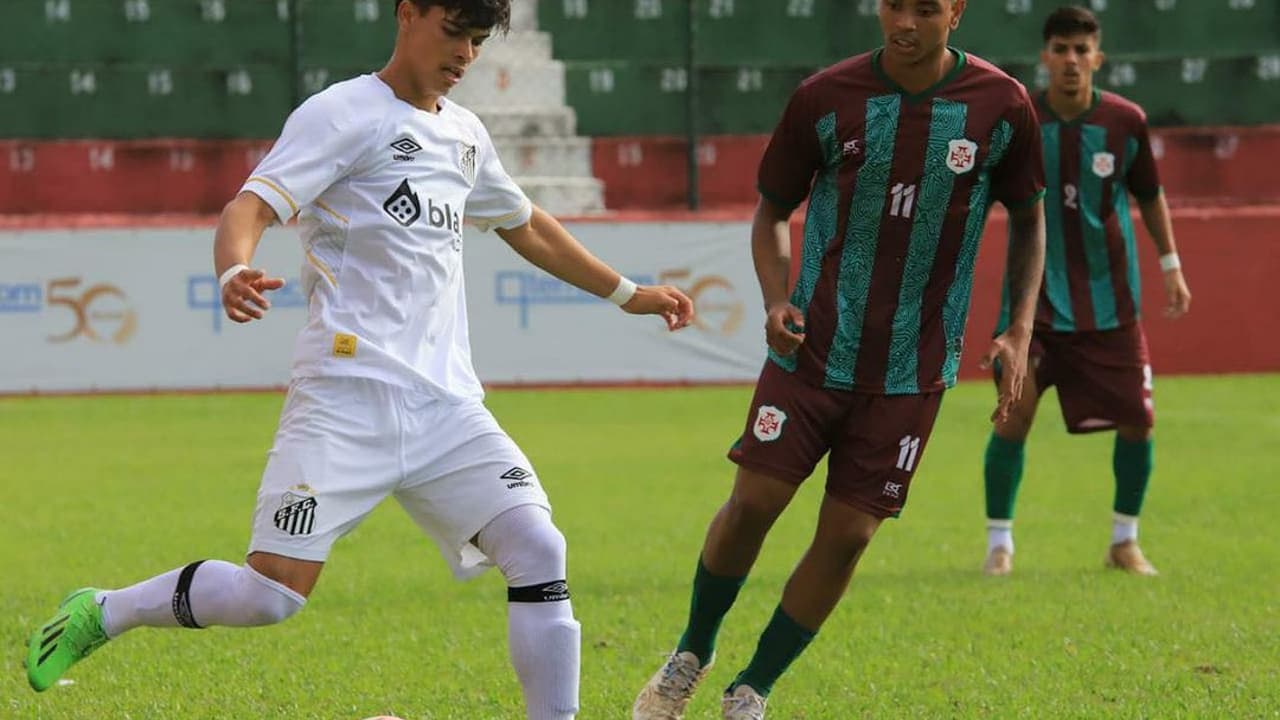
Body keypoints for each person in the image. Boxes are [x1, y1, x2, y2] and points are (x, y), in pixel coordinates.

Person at [25, 2, 694, 719]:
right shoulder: (342, 112)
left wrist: (626, 293)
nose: (466, 54)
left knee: (538, 545)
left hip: (447, 407)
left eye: (476, 40)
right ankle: (105, 610)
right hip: (345, 396)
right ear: (409, 14)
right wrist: (232, 272)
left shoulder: (465, 134)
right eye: (453, 32)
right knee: (270, 595)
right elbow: (249, 208)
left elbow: (524, 224)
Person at [632, 1, 1045, 718]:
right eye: (893, 5)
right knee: (754, 504)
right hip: (813, 349)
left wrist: (1018, 329)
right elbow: (771, 210)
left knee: (849, 536)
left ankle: (751, 690)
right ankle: (691, 651)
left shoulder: (1001, 106)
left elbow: (1030, 217)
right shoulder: (825, 97)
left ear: (956, 12)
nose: (904, 22)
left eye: (925, 8)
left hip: (913, 368)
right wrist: (772, 299)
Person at [980, 5, 1192, 578]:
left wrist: (1170, 263)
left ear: (1097, 58)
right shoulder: (1019, 118)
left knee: (1139, 421)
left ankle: (1124, 541)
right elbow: (982, 193)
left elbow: (1149, 195)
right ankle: (999, 544)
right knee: (1011, 417)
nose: (1071, 60)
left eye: (1081, 50)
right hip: (1033, 306)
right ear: (1045, 57)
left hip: (1110, 304)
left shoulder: (1126, 122)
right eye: (1060, 49)